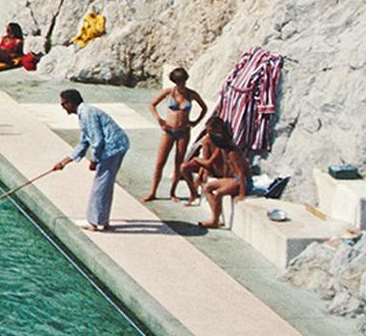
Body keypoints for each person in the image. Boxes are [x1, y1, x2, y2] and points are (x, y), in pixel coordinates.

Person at [51, 90, 130, 231]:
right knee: (104, 183)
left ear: (70, 103)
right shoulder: (84, 114)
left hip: (113, 147)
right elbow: (83, 142)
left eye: (63, 103)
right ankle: (102, 220)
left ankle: (94, 222)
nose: (62, 107)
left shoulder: (87, 114)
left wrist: (94, 160)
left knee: (101, 184)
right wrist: (63, 163)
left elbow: (97, 140)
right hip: (116, 146)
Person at [145, 67, 208, 202]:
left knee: (178, 163)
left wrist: (196, 121)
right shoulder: (169, 92)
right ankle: (153, 191)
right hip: (168, 131)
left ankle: (172, 193)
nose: (182, 85)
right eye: (179, 83)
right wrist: (159, 119)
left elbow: (204, 108)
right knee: (160, 162)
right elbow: (152, 105)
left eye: (183, 82)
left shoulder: (191, 94)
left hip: (183, 132)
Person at [201, 135, 250, 229]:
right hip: (235, 179)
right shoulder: (225, 151)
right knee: (207, 187)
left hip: (243, 181)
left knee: (219, 193)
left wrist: (241, 193)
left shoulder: (232, 153)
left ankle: (215, 221)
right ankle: (216, 217)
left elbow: (241, 174)